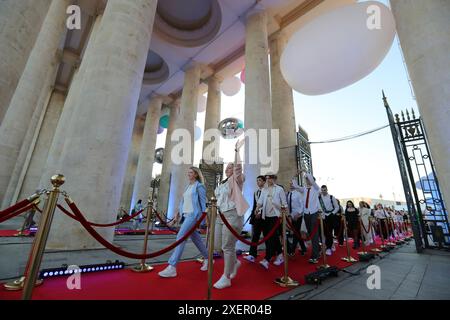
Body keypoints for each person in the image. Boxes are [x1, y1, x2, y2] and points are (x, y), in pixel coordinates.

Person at [158, 167, 209, 278]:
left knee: (180, 238)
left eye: (191, 173)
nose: (188, 174)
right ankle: (208, 258)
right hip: (185, 216)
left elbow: (203, 204)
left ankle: (172, 267)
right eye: (188, 172)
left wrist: (202, 221)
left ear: (196, 175)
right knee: (197, 240)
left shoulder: (199, 186)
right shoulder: (188, 187)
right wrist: (178, 213)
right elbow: (183, 202)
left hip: (193, 216)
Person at [213, 139, 249, 289]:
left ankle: (226, 277)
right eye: (227, 168)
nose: (228, 169)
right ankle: (234, 262)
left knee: (227, 247)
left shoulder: (237, 180)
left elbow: (238, 169)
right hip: (220, 216)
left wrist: (236, 152)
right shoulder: (221, 183)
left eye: (231, 167)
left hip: (232, 215)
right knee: (218, 246)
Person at [256, 173, 287, 269]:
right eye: (267, 178)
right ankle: (280, 254)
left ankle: (267, 259)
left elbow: (284, 204)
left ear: (274, 179)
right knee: (270, 236)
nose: (268, 180)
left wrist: (280, 210)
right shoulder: (264, 190)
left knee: (271, 237)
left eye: (270, 178)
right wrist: (257, 208)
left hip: (276, 216)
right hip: (266, 217)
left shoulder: (279, 189)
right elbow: (260, 202)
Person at [292, 170, 322, 264]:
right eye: (306, 179)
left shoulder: (316, 188)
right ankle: (319, 248)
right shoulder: (304, 189)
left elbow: (312, 181)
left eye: (308, 179)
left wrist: (305, 172)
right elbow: (295, 186)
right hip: (306, 214)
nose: (307, 180)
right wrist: (295, 176)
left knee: (314, 234)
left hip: (314, 213)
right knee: (310, 233)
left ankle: (315, 255)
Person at [244, 175, 266, 263]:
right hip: (257, 217)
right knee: (255, 236)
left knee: (267, 236)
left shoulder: (267, 191)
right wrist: (253, 216)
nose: (258, 182)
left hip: (265, 217)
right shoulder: (256, 192)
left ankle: (270, 254)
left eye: (260, 180)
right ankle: (252, 254)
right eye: (257, 180)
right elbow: (254, 205)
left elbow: (266, 204)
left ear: (264, 182)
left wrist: (260, 213)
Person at [286, 179, 306, 256]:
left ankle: (292, 250)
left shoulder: (298, 193)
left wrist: (298, 214)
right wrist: (290, 215)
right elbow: (288, 205)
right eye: (290, 183)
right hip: (292, 216)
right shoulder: (289, 194)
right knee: (297, 233)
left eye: (292, 184)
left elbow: (302, 205)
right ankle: (303, 248)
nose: (291, 185)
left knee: (295, 233)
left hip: (298, 216)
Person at [318, 185, 340, 256]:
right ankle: (326, 245)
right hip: (323, 217)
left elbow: (337, 207)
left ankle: (329, 248)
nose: (323, 191)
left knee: (329, 233)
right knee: (322, 233)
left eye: (324, 190)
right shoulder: (319, 198)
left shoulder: (331, 197)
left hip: (330, 216)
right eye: (322, 190)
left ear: (327, 190)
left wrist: (332, 213)